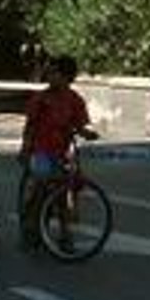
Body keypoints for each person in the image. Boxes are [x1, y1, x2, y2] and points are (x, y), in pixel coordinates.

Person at [17, 55, 97, 248]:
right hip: (41, 150)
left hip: (62, 152)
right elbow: (30, 126)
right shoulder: (41, 99)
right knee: (41, 186)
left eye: (54, 73)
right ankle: (32, 228)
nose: (49, 76)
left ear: (66, 76)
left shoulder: (75, 100)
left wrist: (87, 133)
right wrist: (25, 148)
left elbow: (79, 125)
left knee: (63, 193)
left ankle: (65, 234)